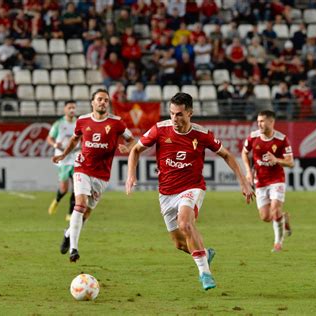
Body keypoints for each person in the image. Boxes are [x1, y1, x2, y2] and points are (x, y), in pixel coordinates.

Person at [125, 92, 254, 290]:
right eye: (171, 114)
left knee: (185, 223)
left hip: (192, 188)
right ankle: (204, 253)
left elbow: (227, 155)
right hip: (166, 192)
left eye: (179, 114)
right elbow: (135, 150)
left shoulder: (202, 134)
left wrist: (244, 182)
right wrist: (130, 175)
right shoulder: (160, 129)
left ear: (190, 113)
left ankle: (205, 274)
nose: (174, 119)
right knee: (179, 243)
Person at [52, 89, 135, 262]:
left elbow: (131, 139)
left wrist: (128, 148)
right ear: (92, 102)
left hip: (102, 175)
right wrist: (64, 155)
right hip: (82, 167)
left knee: (86, 213)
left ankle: (68, 233)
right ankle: (74, 249)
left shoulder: (117, 122)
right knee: (80, 204)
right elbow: (75, 139)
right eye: (99, 99)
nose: (103, 102)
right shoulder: (82, 120)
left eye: (106, 100)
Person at [241, 110, 294, 253]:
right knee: (265, 216)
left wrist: (276, 160)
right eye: (258, 121)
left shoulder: (282, 139)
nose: (259, 124)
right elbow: (244, 153)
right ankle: (284, 218)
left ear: (271, 122)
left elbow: (291, 163)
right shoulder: (253, 137)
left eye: (262, 121)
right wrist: (248, 171)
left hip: (277, 180)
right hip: (260, 181)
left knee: (275, 210)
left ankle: (278, 243)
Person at [47, 100, 78, 221]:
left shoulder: (79, 123)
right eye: (69, 107)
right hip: (63, 159)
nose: (72, 110)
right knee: (64, 189)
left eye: (73, 107)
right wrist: (55, 145)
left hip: (75, 158)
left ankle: (70, 214)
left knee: (77, 187)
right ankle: (57, 200)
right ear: (65, 109)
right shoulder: (58, 124)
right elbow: (49, 138)